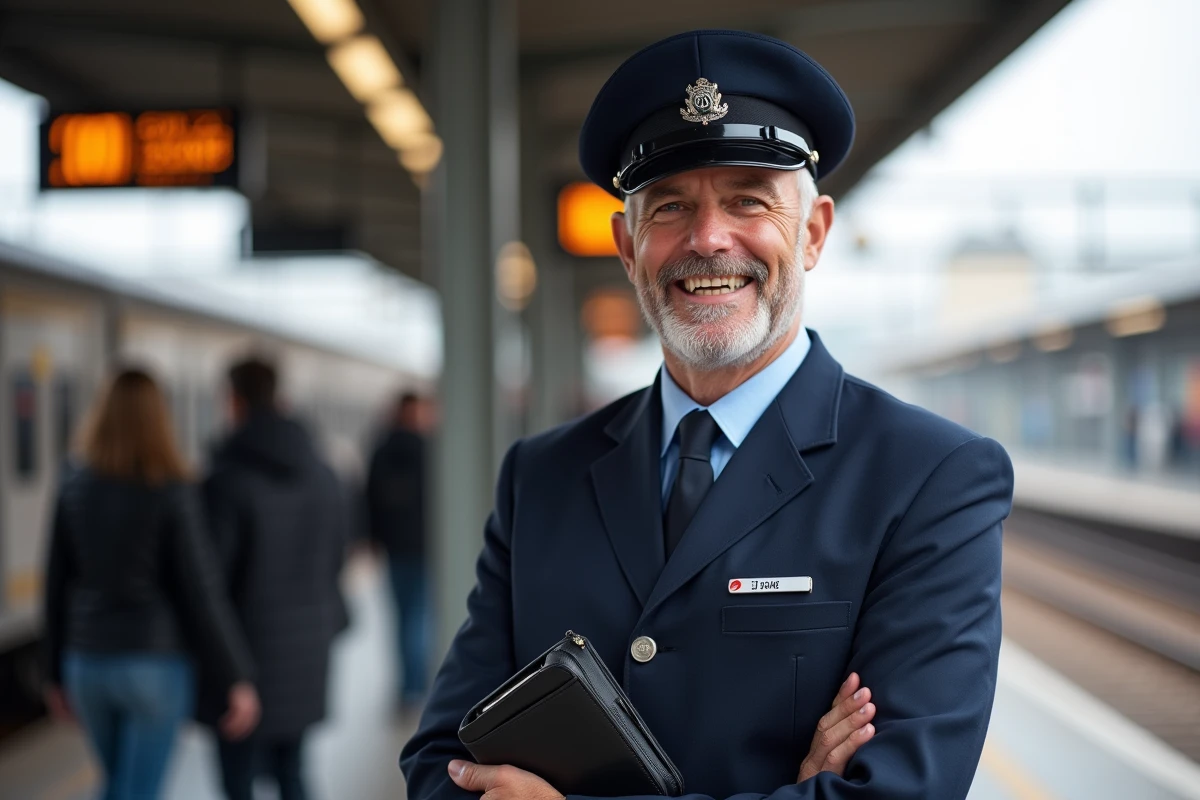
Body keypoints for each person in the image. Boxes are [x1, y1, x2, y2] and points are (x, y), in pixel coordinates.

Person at [401, 29, 1014, 800]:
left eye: (747, 201)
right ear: (628, 248)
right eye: (671, 207)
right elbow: (439, 763)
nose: (708, 239)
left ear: (814, 232)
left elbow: (901, 792)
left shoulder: (930, 479)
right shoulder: (541, 477)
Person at [41, 368, 260, 800]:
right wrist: (236, 676)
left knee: (115, 785)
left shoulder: (73, 483)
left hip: (87, 663)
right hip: (153, 665)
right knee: (139, 790)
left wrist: (53, 673)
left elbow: (55, 585)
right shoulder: (173, 489)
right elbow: (201, 592)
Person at [201, 357, 349, 800]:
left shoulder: (226, 481)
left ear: (234, 400)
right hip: (306, 652)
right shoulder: (323, 474)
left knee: (238, 781)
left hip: (242, 657)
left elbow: (211, 583)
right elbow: (337, 559)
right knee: (294, 773)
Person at [366, 392, 432, 710]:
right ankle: (417, 685)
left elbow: (368, 498)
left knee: (402, 617)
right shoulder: (431, 449)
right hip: (426, 547)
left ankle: (408, 686)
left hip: (395, 548)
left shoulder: (382, 448)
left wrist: (372, 538)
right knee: (420, 617)